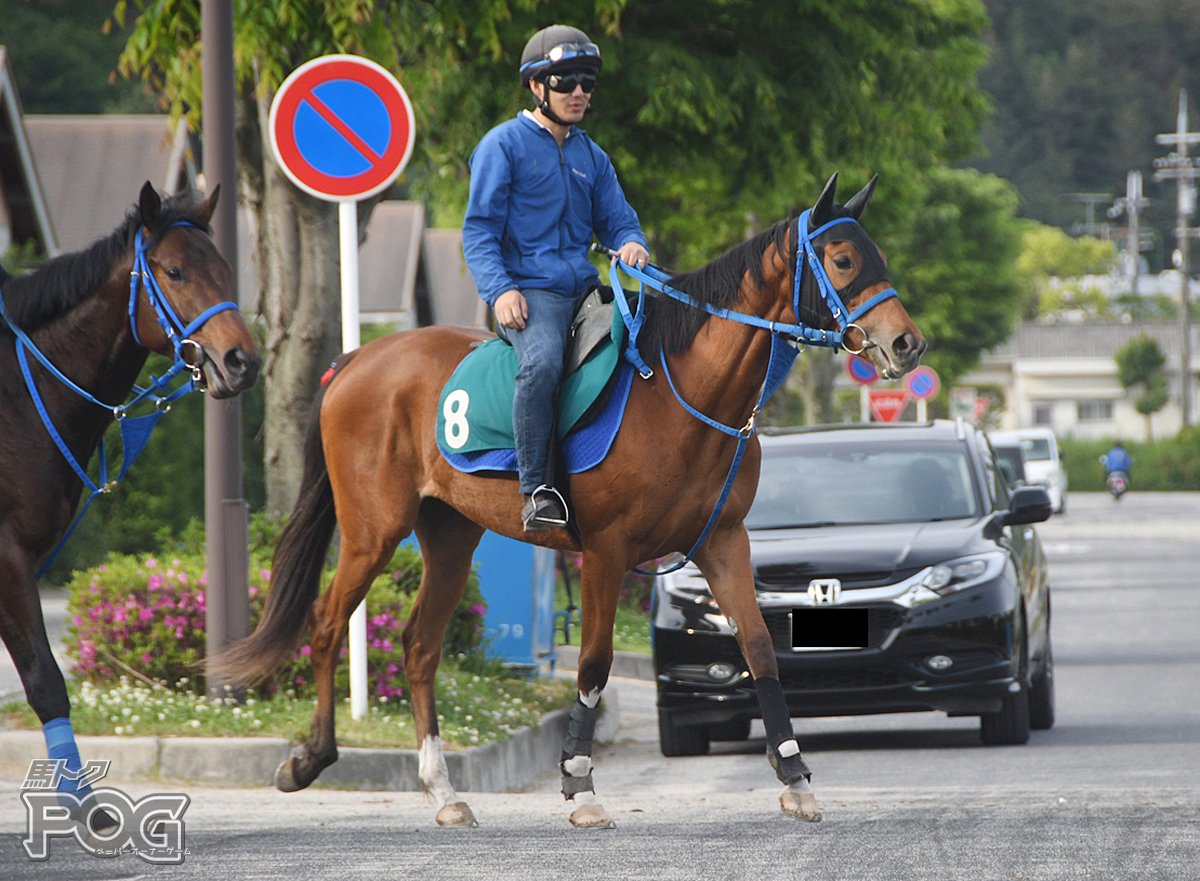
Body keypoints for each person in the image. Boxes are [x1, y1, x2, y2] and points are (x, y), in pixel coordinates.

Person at [462, 24, 650, 533]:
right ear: (536, 87)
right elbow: (478, 233)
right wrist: (500, 291)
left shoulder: (593, 156)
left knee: (652, 340)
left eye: (586, 81)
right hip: (529, 295)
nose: (579, 92)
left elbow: (620, 222)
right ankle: (536, 489)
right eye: (565, 81)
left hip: (586, 291)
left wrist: (633, 242)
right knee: (543, 364)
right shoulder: (502, 146)